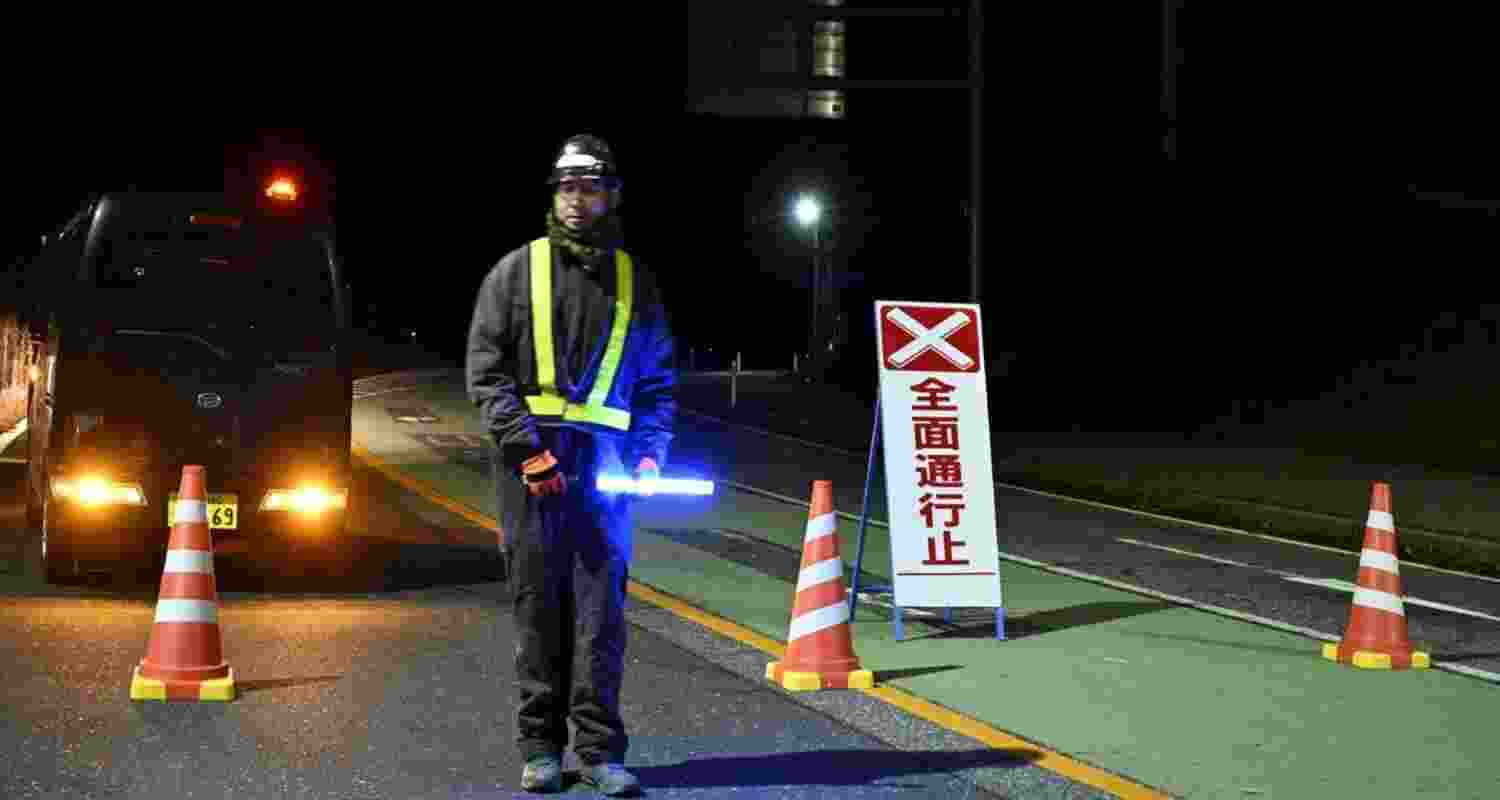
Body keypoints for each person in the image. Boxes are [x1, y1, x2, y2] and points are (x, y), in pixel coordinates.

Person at [466, 133, 676, 796]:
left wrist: (648, 456)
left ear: (612, 195)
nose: (578, 200)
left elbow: (657, 384)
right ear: (554, 195)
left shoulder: (635, 282)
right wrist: (529, 453)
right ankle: (540, 748)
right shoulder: (514, 273)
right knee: (539, 611)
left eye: (590, 187)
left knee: (601, 618)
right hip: (532, 471)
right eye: (566, 188)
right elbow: (487, 373)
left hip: (606, 471)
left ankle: (598, 753)